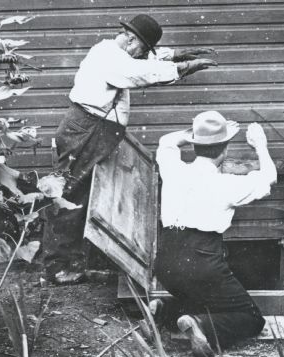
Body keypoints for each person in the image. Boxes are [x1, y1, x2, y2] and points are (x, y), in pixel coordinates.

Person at [42, 14, 217, 284]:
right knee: (71, 193)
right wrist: (184, 67)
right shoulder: (108, 57)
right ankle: (56, 266)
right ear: (131, 39)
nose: (144, 55)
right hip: (85, 130)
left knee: (88, 195)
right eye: (144, 49)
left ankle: (75, 263)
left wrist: (177, 55)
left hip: (97, 130)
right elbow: (139, 72)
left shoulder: (120, 53)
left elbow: (143, 61)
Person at [152, 111, 276, 357]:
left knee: (205, 299)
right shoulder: (227, 184)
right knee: (250, 318)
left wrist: (198, 134)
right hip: (202, 261)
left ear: (196, 145)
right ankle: (203, 326)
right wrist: (261, 146)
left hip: (165, 262)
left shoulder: (172, 168)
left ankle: (162, 311)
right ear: (225, 149)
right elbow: (270, 177)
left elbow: (166, 141)